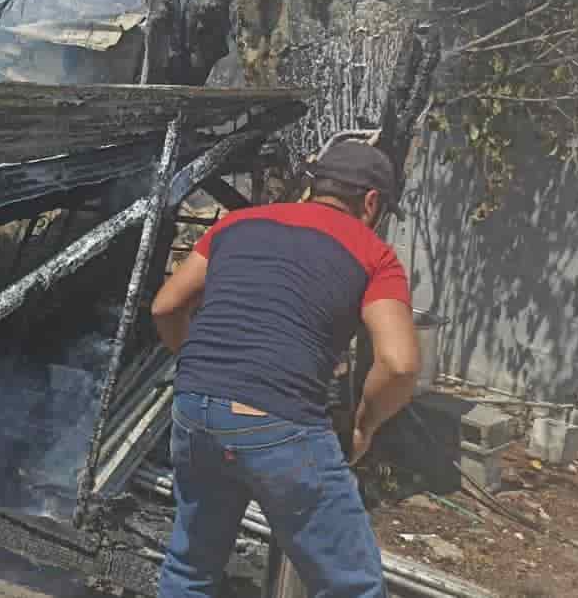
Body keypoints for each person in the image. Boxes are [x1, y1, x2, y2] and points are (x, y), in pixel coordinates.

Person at [150, 140, 420, 598]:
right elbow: (399, 364)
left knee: (191, 566)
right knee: (352, 586)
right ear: (371, 202)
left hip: (194, 411)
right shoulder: (374, 254)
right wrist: (363, 427)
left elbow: (165, 307)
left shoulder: (236, 224)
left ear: (315, 186)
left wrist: (202, 371)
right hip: (281, 423)